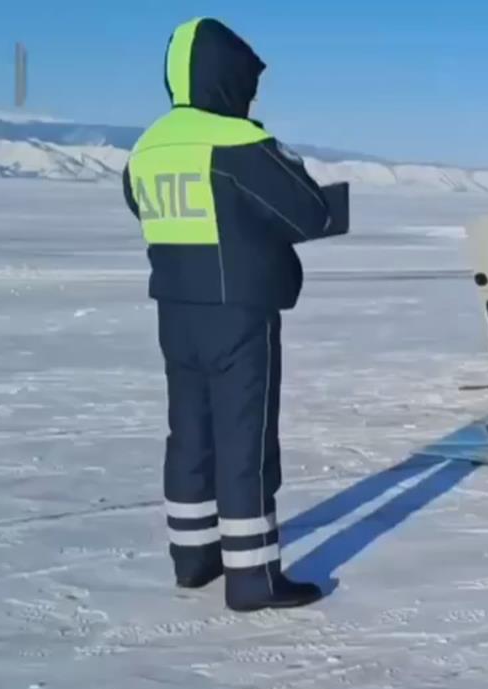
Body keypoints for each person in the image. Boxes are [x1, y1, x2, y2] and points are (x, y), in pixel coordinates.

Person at [121, 17, 347, 612]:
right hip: (239, 313)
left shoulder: (147, 146)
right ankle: (253, 579)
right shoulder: (237, 143)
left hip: (175, 310)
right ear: (227, 78)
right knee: (245, 439)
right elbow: (308, 214)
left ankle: (193, 559)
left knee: (189, 434)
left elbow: (136, 203)